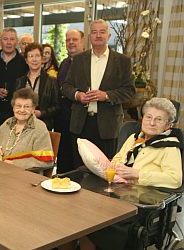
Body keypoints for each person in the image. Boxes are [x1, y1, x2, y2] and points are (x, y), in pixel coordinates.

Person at [61, 97, 183, 250]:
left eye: (159, 120)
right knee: (76, 211)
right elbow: (119, 157)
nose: (152, 123)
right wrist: (116, 166)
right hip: (118, 194)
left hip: (141, 205)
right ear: (142, 118)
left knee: (92, 222)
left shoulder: (170, 147)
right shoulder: (135, 138)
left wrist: (137, 173)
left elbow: (175, 179)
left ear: (167, 125)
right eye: (148, 117)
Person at [62, 19, 135, 168]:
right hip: (80, 124)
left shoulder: (122, 61)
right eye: (94, 32)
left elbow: (129, 91)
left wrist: (106, 95)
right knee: (79, 168)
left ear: (108, 35)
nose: (98, 35)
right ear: (89, 36)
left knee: (104, 169)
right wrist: (78, 95)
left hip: (107, 125)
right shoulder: (78, 59)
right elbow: (66, 86)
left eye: (102, 32)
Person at [0, 88, 54, 170]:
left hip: (24, 176)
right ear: (13, 108)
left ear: (33, 109)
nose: (22, 110)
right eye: (18, 106)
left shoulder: (39, 127)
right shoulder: (7, 123)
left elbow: (47, 161)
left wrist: (15, 164)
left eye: (26, 107)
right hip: (0, 170)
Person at [54, 29, 85, 173]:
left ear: (83, 41)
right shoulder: (64, 63)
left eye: (75, 39)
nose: (71, 43)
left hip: (80, 119)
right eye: (68, 40)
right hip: (63, 119)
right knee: (63, 159)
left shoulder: (87, 63)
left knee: (77, 161)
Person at [0, 28, 28, 139]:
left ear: (16, 42)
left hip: (16, 113)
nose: (8, 42)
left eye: (12, 39)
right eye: (5, 39)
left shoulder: (24, 63)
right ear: (0, 41)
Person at [15, 43, 60, 130]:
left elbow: (57, 106)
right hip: (22, 127)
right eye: (31, 56)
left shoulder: (52, 81)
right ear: (26, 60)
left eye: (37, 56)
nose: (34, 59)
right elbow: (14, 104)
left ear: (42, 59)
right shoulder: (19, 82)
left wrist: (41, 113)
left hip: (43, 127)